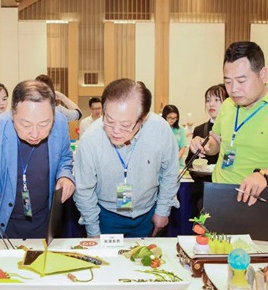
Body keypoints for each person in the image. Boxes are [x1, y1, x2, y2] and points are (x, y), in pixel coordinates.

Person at [0, 80, 75, 239]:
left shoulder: (60, 123)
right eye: (26, 125)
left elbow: (65, 157)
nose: (35, 134)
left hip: (45, 222)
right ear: (12, 114)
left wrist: (65, 176)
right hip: (2, 225)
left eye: (44, 124)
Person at [74, 78, 179, 238]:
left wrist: (163, 210)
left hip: (147, 214)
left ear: (143, 118)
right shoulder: (91, 138)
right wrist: (93, 230)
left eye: (125, 125)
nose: (115, 130)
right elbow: (83, 189)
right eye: (109, 121)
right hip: (106, 216)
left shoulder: (160, 130)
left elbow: (170, 172)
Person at [190, 41, 268, 206]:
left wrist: (264, 175)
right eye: (228, 81)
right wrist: (204, 145)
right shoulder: (228, 105)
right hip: (219, 195)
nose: (233, 89)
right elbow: (216, 141)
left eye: (241, 81)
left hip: (256, 201)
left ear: (263, 75)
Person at [185, 84, 228, 217]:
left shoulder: (233, 130)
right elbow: (188, 162)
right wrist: (198, 168)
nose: (211, 104)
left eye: (217, 100)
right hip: (203, 192)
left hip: (226, 190)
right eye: (208, 100)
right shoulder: (200, 130)